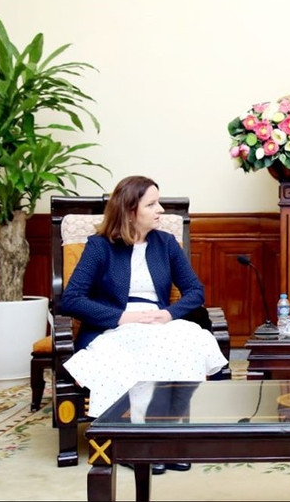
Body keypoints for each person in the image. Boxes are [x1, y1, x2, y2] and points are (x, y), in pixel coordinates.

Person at [61, 175, 228, 474]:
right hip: (115, 325)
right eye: (151, 204)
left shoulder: (165, 243)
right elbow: (71, 299)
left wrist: (170, 314)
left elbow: (195, 291)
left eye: (158, 202)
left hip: (159, 320)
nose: (160, 210)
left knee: (187, 340)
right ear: (129, 211)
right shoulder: (100, 246)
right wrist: (121, 317)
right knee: (150, 348)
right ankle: (136, 443)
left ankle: (170, 439)